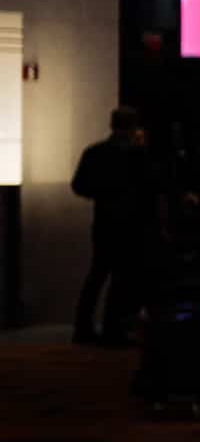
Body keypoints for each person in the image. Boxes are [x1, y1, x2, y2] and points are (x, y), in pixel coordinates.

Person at [71, 106, 160, 345]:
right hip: (131, 224)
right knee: (122, 278)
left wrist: (103, 191)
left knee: (97, 274)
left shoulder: (95, 153)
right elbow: (151, 191)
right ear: (133, 127)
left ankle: (83, 328)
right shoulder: (138, 156)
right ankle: (113, 329)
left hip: (104, 221)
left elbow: (79, 186)